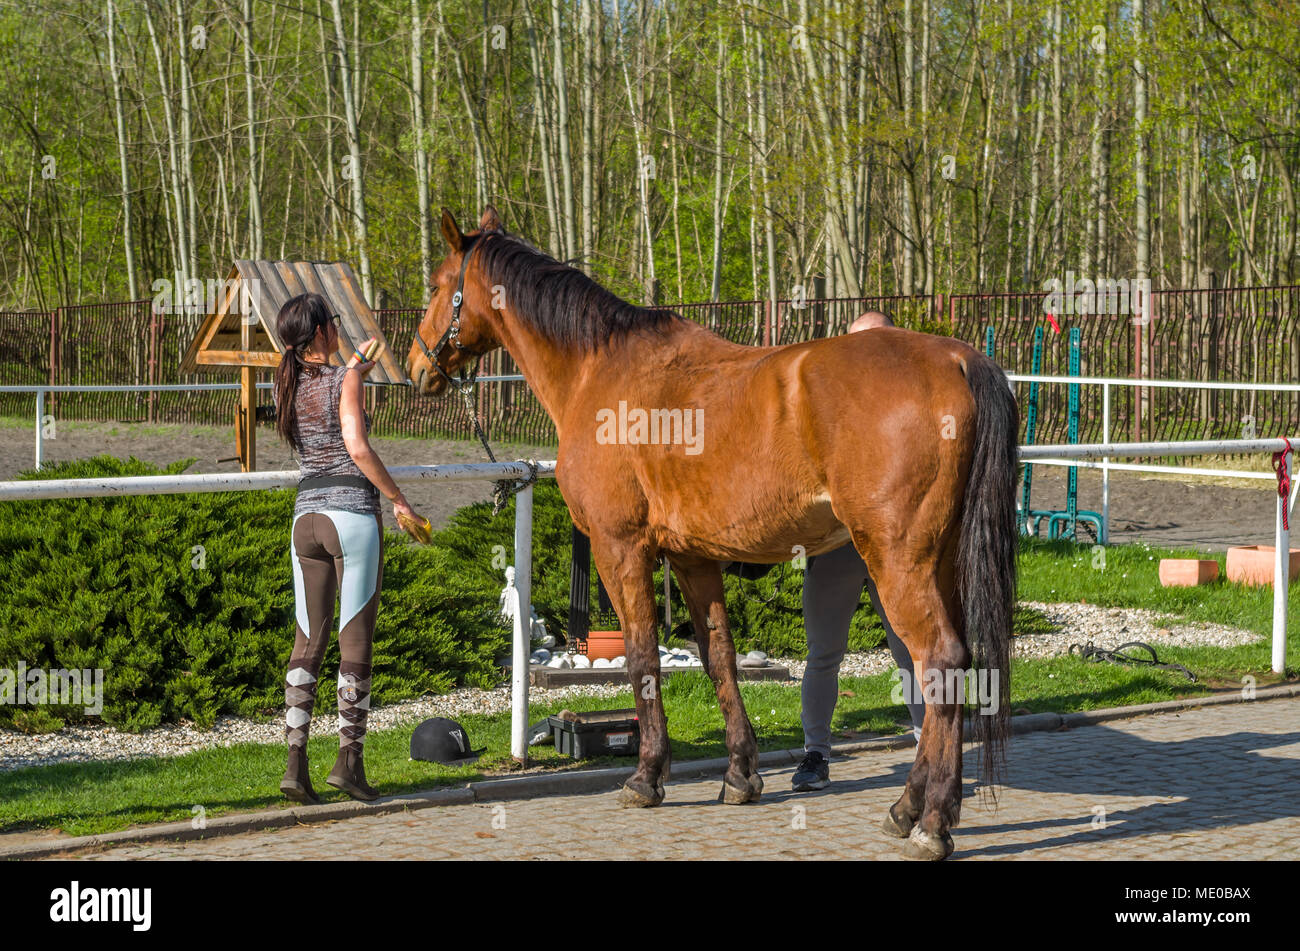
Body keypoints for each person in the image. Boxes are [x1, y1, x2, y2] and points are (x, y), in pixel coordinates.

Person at [271, 292, 417, 803]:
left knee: (307, 641)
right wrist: (398, 499)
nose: (337, 327)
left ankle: (295, 765)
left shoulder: (285, 385)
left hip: (305, 518)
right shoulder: (343, 379)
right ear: (319, 334)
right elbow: (356, 445)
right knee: (355, 644)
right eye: (332, 322)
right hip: (350, 515)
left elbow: (326, 396)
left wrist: (352, 364)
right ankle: (349, 763)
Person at [791, 310, 926, 792]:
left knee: (912, 650)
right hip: (837, 545)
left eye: (872, 344)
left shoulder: (914, 404)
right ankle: (815, 756)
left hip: (893, 547)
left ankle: (929, 751)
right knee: (823, 652)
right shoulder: (828, 404)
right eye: (854, 346)